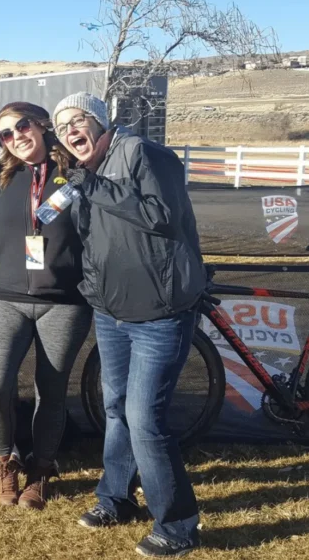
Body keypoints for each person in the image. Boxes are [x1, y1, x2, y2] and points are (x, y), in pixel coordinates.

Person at [53, 92, 205, 557]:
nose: (71, 131)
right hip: (111, 313)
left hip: (160, 314)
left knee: (145, 420)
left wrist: (88, 184)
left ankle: (178, 527)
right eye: (63, 128)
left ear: (100, 122)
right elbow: (91, 240)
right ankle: (114, 499)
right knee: (115, 407)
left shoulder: (143, 152)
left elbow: (161, 215)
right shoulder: (85, 175)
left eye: (79, 121)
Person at [0, 102, 92, 510]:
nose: (16, 137)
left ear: (41, 125)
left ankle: (42, 470)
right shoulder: (1, 177)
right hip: (6, 297)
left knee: (52, 391)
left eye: (21, 126)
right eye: (5, 134)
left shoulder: (78, 174)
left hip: (64, 302)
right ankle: (4, 461)